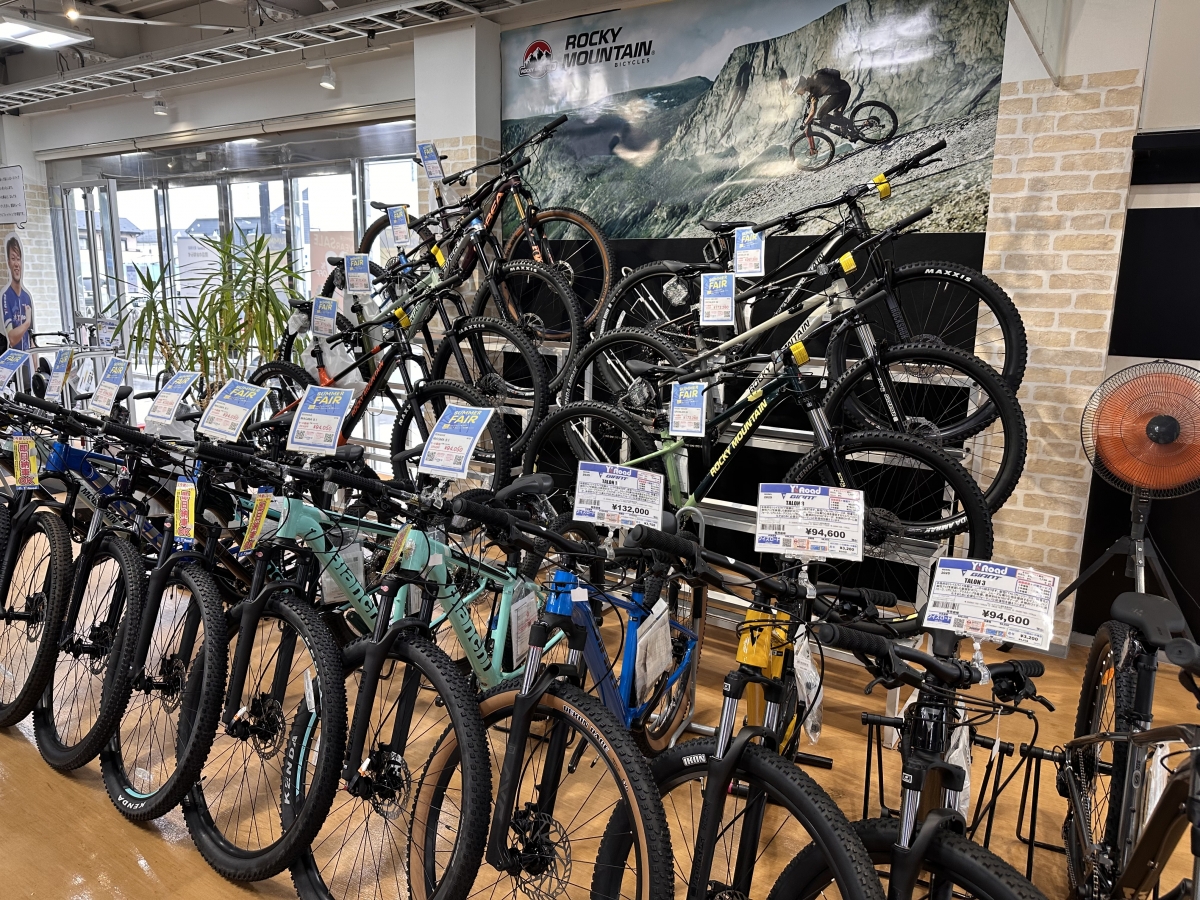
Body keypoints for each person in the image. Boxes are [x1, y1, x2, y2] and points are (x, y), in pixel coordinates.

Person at [797, 68, 853, 135]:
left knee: (821, 115)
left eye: (797, 90)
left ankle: (846, 124)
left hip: (841, 92)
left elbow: (813, 112)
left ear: (801, 87)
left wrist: (804, 124)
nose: (797, 93)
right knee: (837, 114)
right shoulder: (814, 77)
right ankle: (852, 128)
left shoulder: (814, 91)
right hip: (845, 87)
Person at [3, 235, 33, 352]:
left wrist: (36, 363)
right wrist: (27, 322)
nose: (16, 264)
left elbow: (32, 339)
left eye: (18, 259)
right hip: (14, 359)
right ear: (9, 262)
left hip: (27, 359)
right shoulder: (6, 296)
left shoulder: (27, 297)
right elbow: (11, 338)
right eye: (13, 258)